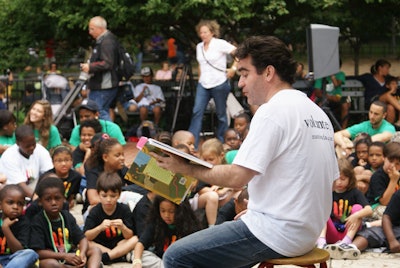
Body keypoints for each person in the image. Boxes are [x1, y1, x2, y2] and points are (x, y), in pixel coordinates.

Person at [154, 36, 338, 267]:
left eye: (244, 73)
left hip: (279, 233)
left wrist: (186, 167)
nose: (240, 83)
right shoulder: (318, 113)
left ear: (268, 72)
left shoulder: (272, 111)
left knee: (175, 256)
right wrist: (261, 212)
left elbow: (236, 177)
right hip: (307, 233)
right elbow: (326, 181)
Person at [29, 176, 102, 267]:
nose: (53, 203)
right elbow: (38, 252)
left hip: (70, 256)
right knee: (50, 264)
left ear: (64, 199)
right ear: (40, 202)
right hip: (55, 260)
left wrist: (82, 254)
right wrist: (64, 256)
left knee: (95, 250)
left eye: (57, 198)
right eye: (48, 199)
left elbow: (82, 239)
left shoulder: (67, 216)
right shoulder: (38, 221)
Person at [188, 19, 237, 148]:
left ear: (212, 32)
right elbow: (200, 64)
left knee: (221, 114)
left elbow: (237, 53)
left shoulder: (220, 44)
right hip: (203, 83)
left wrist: (234, 68)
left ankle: (222, 142)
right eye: (201, 32)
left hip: (219, 82)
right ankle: (193, 143)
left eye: (205, 32)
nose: (202, 34)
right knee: (197, 111)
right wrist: (199, 78)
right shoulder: (199, 46)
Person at [318, 158, 372, 260]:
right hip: (332, 232)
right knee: (321, 210)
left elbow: (369, 210)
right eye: (336, 179)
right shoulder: (328, 192)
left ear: (350, 178)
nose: (339, 182)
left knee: (358, 208)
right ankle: (321, 242)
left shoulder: (354, 192)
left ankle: (346, 243)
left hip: (348, 230)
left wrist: (356, 215)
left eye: (343, 179)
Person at [132, 195, 200, 268]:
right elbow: (141, 243)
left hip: (178, 263)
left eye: (171, 211)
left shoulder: (190, 228)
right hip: (161, 262)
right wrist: (137, 262)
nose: (166, 215)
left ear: (181, 211)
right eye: (163, 211)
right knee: (136, 255)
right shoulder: (156, 222)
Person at [84, 172, 137, 264]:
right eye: (104, 196)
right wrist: (100, 228)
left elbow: (130, 235)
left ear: (119, 195)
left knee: (135, 239)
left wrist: (122, 227)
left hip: (119, 244)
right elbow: (87, 235)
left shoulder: (124, 209)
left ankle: (108, 257)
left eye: (113, 196)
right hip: (101, 245)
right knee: (85, 243)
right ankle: (117, 256)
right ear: (98, 194)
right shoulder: (95, 211)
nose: (108, 200)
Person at [80, 16, 119, 121]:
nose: (89, 32)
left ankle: (110, 135)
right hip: (100, 85)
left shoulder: (107, 42)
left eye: (92, 29)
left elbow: (108, 63)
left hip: (104, 85)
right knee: (102, 110)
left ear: (100, 28)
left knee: (99, 111)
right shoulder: (102, 41)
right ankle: (106, 135)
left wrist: (90, 67)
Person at [0, 125, 53, 198]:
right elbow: (20, 186)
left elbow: (50, 174)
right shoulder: (9, 156)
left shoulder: (41, 151)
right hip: (13, 190)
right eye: (28, 146)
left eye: (33, 144)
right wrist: (38, 199)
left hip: (33, 187)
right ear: (18, 143)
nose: (32, 148)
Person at [352, 189, 400, 255]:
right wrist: (392, 240)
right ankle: (352, 248)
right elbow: (386, 217)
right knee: (372, 233)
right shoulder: (398, 195)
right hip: (395, 229)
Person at [0, 185, 39, 267]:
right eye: (10, 202)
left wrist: (6, 228)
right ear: (0, 205)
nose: (15, 207)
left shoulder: (24, 222)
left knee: (31, 254)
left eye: (20, 204)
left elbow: (18, 251)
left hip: (14, 260)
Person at [358, 59, 400, 124]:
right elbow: (353, 78)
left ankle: (388, 130)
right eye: (387, 68)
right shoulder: (368, 77)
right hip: (372, 101)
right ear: (380, 68)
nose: (388, 71)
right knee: (387, 95)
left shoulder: (388, 78)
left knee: (390, 108)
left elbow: (395, 79)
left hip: (384, 103)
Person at [367, 142, 400, 220]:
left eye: (397, 164)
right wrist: (393, 180)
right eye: (390, 161)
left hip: (395, 205)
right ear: (384, 158)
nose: (393, 166)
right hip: (377, 206)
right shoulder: (378, 176)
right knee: (389, 214)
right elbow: (384, 202)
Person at [313, 64, 347, 129]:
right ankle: (321, 128)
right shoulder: (321, 76)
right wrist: (329, 97)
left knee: (347, 101)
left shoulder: (341, 74)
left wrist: (332, 76)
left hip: (338, 98)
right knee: (319, 105)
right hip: (326, 98)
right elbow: (317, 92)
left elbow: (337, 84)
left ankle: (343, 128)